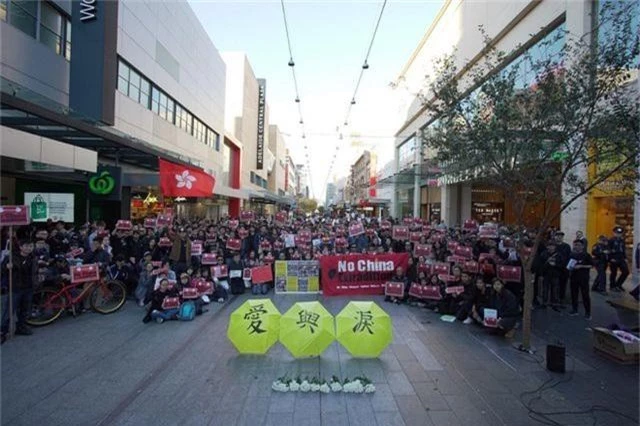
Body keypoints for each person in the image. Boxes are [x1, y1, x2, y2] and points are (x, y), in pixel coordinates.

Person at [1, 240, 38, 338]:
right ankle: (3, 330)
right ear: (21, 247)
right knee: (9, 310)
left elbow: (35, 271)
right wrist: (6, 267)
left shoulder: (33, 258)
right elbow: (2, 269)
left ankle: (21, 327)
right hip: (15, 287)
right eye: (26, 246)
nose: (28, 248)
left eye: (31, 246)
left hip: (29, 287)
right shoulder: (11, 257)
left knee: (24, 310)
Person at [567, 240, 593, 319]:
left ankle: (588, 312)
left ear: (582, 246)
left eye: (578, 245)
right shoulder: (571, 255)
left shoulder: (586, 255)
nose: (576, 247)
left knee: (585, 295)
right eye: (575, 245)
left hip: (583, 278)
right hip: (574, 277)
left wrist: (581, 266)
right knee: (574, 294)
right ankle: (575, 309)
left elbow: (591, 265)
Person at [608, 226, 629, 292]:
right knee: (614, 273)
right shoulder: (611, 240)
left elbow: (623, 250)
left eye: (620, 233)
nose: (618, 234)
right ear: (614, 233)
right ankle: (612, 286)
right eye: (617, 233)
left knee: (626, 272)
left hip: (621, 258)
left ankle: (618, 284)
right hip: (614, 258)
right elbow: (608, 250)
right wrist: (610, 258)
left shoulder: (622, 240)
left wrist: (625, 258)